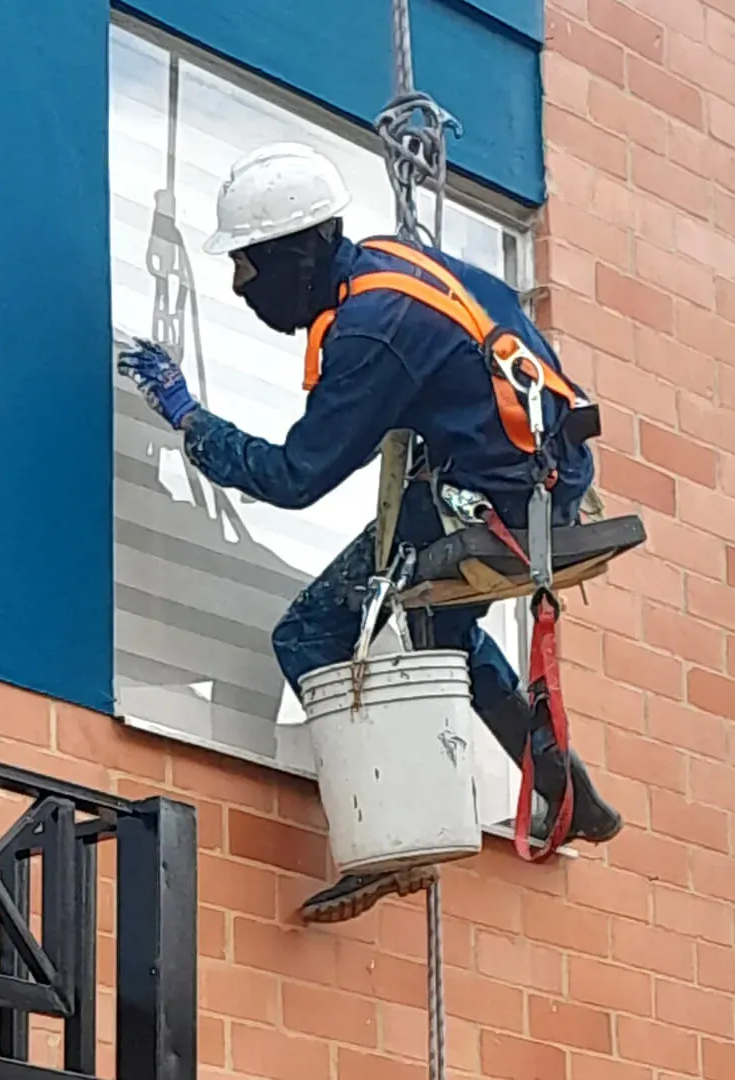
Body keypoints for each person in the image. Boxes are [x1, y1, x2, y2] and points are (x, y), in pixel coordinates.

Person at [117, 142, 623, 925]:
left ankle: (397, 837)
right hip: (531, 479)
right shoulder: (384, 266)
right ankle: (559, 781)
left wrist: (188, 417)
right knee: (437, 629)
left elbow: (296, 477)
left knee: (310, 633)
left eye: (251, 266)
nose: (240, 285)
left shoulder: (371, 331)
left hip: (499, 499)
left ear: (306, 253)